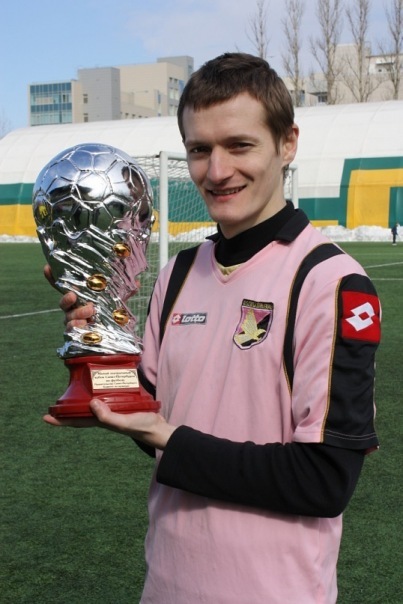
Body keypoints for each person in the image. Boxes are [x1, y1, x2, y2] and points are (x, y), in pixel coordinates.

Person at [44, 53, 381, 604]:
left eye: (239, 145)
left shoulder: (330, 281)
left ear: (287, 143)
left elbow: (325, 481)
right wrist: (100, 336)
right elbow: (152, 417)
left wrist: (168, 438)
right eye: (199, 150)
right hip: (166, 588)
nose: (217, 171)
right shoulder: (177, 273)